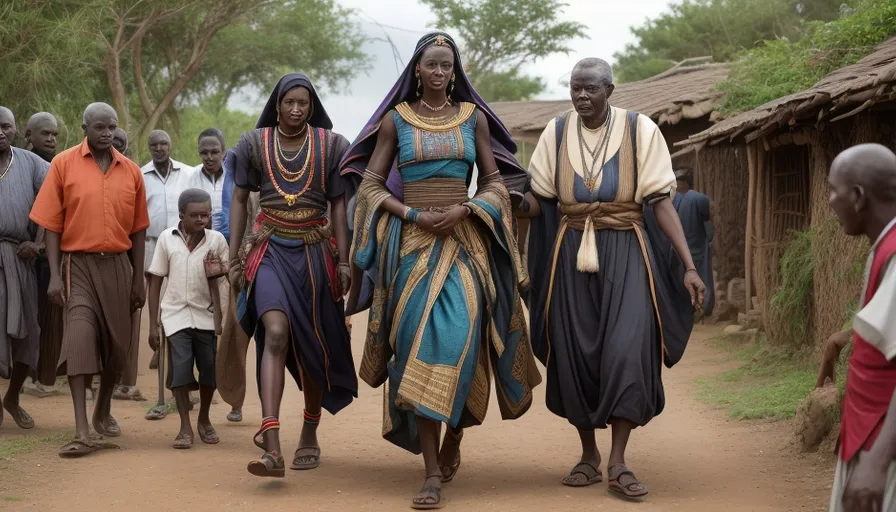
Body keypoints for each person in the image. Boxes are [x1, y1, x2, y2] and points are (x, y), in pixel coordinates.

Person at [342, 32, 540, 509]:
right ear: (417, 70)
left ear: (455, 73)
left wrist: (468, 209)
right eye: (431, 65)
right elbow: (370, 187)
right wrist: (412, 215)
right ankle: (430, 471)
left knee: (461, 341)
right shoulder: (395, 121)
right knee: (413, 345)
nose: (438, 72)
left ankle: (455, 435)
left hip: (465, 245)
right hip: (412, 248)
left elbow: (495, 184)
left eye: (446, 66)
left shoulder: (474, 121)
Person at [519, 58, 704, 498]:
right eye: (574, 89)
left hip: (626, 249)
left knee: (627, 349)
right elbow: (540, 201)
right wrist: (505, 201)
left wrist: (690, 266)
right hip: (569, 253)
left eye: (590, 90)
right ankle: (588, 454)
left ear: (610, 90)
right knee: (574, 351)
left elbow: (660, 203)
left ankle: (619, 459)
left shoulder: (641, 131)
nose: (581, 97)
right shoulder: (557, 132)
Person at [228, 73, 358, 477]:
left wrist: (344, 260)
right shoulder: (253, 144)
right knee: (278, 332)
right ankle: (271, 446)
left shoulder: (332, 145)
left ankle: (309, 430)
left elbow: (339, 205)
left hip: (316, 253)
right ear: (278, 104)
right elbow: (238, 198)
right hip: (269, 248)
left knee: (313, 345)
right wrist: (234, 257)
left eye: (304, 103)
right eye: (289, 103)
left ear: (312, 105)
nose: (297, 109)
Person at [29, 102, 149, 457]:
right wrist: (53, 276)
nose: (107, 133)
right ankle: (82, 431)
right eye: (99, 127)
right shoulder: (63, 164)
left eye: (111, 127)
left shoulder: (130, 172)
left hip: (118, 267)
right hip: (77, 265)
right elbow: (50, 224)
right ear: (85, 127)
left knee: (117, 347)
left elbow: (139, 230)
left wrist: (138, 279)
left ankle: (103, 407)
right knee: (79, 339)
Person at [827, 143, 896, 512]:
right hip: (867, 435)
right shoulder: (883, 248)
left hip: (883, 448)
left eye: (833, 190)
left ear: (856, 197)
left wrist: (877, 462)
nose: (829, 202)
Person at [147, 188, 227, 449]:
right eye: (195, 215)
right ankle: (184, 426)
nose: (201, 220)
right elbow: (156, 280)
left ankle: (204, 418)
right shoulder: (166, 239)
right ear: (182, 215)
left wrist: (223, 318)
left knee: (209, 371)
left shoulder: (216, 241)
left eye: (205, 214)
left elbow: (224, 283)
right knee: (180, 370)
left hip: (206, 315)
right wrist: (153, 324)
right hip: (175, 315)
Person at [0, 107, 48, 429]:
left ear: (17, 131)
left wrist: (40, 244)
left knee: (27, 333)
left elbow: (55, 202)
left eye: (5, 127)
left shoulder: (32, 164)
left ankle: (13, 396)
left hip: (20, 258)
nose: (0, 132)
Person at [142, 129, 194, 416]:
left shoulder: (187, 173)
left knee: (178, 300)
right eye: (154, 145)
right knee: (155, 297)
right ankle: (156, 337)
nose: (159, 148)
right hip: (151, 244)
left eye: (164, 143)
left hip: (181, 242)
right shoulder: (140, 174)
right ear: (149, 148)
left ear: (170, 145)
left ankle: (181, 379)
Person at [18, 112, 64, 399]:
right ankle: (23, 373)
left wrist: (40, 245)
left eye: (54, 134)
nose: (50, 139)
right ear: (28, 135)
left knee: (50, 318)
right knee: (24, 316)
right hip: (17, 253)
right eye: (45, 133)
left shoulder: (60, 165)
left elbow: (54, 213)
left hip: (48, 255)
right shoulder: (17, 164)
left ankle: (45, 377)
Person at [215, 148, 260, 424]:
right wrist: (237, 263)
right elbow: (237, 227)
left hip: (280, 267)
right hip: (245, 268)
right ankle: (236, 401)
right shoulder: (247, 192)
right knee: (237, 334)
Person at [673, 167, 715, 316]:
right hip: (698, 247)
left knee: (682, 277)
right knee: (703, 276)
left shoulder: (672, 200)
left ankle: (687, 308)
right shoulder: (700, 199)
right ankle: (703, 307)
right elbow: (708, 221)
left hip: (680, 248)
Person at [188, 128, 226, 232]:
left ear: (223, 152)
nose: (209, 157)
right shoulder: (191, 178)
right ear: (199, 153)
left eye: (214, 152)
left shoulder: (234, 177)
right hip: (201, 240)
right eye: (204, 153)